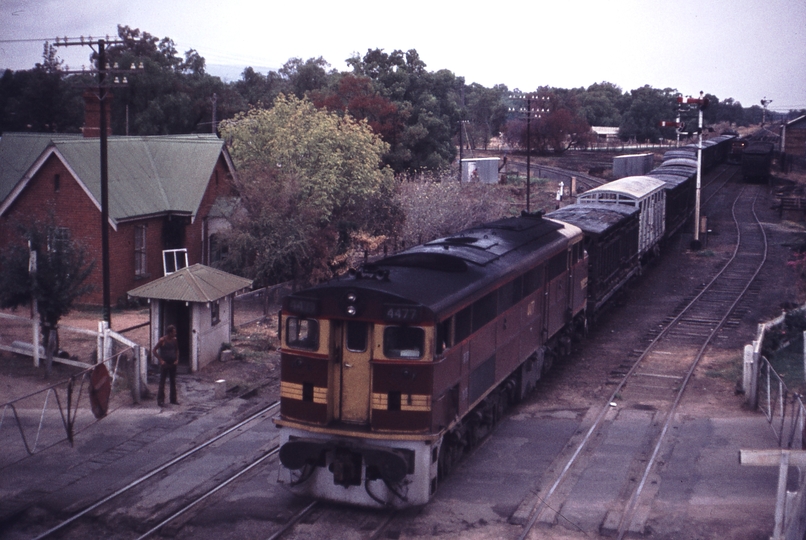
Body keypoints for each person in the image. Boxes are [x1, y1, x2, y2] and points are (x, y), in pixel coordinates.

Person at [153, 325, 179, 406]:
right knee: (162, 382)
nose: (175, 334)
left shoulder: (174, 340)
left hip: (172, 363)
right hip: (165, 363)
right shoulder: (162, 340)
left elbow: (177, 350)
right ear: (170, 332)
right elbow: (154, 350)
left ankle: (173, 399)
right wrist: (160, 360)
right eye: (174, 332)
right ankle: (160, 401)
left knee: (173, 381)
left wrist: (177, 359)